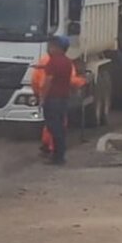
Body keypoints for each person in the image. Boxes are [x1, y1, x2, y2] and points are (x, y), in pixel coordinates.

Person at [31, 50, 87, 155]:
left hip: (46, 96)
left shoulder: (42, 60)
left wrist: (37, 94)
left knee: (49, 123)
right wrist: (82, 81)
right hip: (57, 97)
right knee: (59, 123)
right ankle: (55, 150)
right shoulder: (64, 62)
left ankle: (47, 145)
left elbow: (34, 79)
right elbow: (70, 80)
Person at [39, 35, 74, 165]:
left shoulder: (53, 62)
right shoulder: (67, 62)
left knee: (54, 128)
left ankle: (58, 157)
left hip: (53, 99)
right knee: (60, 127)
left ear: (58, 48)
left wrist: (42, 98)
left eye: (51, 45)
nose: (49, 48)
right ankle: (60, 154)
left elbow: (48, 81)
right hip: (63, 99)